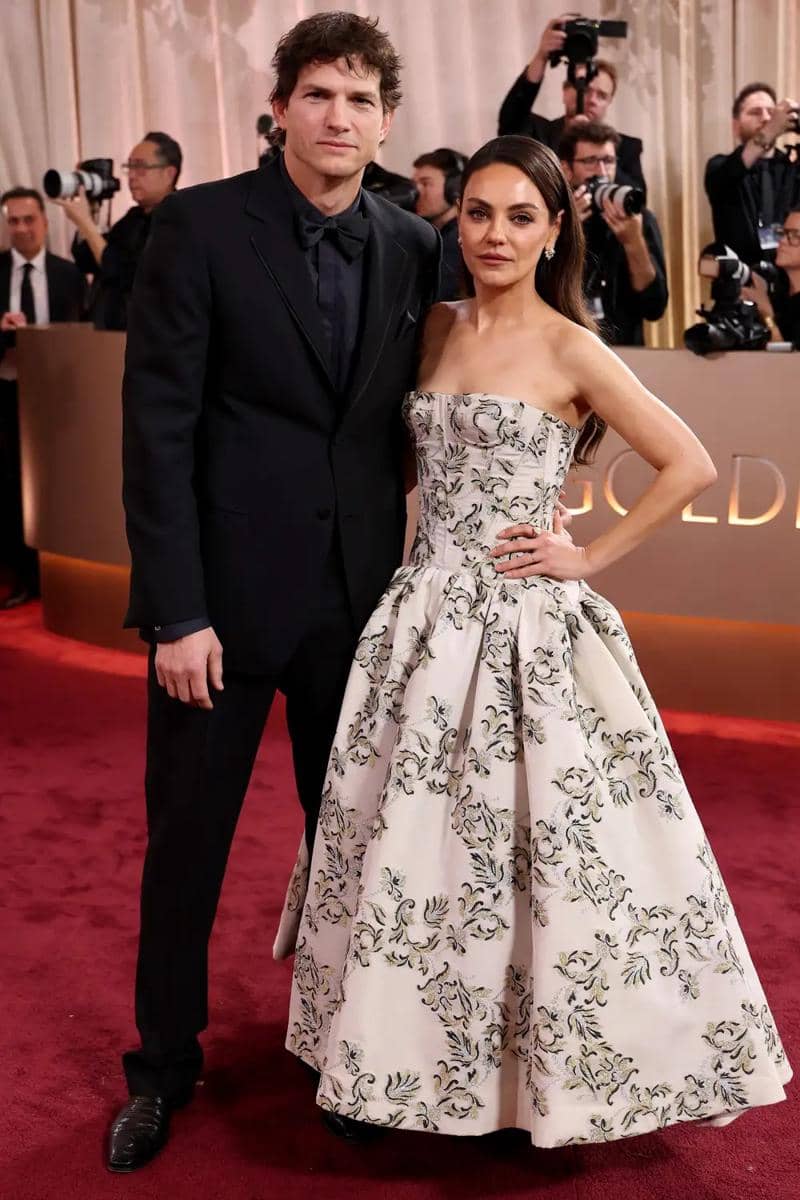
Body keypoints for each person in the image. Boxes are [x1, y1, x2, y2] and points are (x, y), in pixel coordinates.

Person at [281, 134, 791, 1146]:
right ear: (454, 221)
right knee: (413, 854)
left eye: (519, 215)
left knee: (534, 858)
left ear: (553, 229)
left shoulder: (569, 345)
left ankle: (531, 1082)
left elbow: (685, 463)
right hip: (420, 621)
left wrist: (588, 557)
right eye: (476, 212)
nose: (493, 233)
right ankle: (395, 1066)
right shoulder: (429, 326)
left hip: (525, 632)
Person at [110, 11, 439, 1175]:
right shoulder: (196, 228)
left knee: (351, 851)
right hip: (221, 612)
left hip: (357, 610)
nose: (338, 117)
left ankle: (345, 1058)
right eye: (317, 96)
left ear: (385, 119)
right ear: (280, 109)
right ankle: (160, 1067)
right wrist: (176, 611)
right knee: (186, 845)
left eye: (359, 100)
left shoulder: (409, 244)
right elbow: (157, 430)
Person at [0, 187, 85, 608]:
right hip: (6, 396)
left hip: (59, 403)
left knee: (61, 487)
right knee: (12, 491)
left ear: (44, 223)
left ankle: (63, 577)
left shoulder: (68, 274)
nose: (21, 228)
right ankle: (22, 576)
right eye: (13, 221)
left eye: (28, 219)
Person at [498, 12, 646, 196]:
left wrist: (605, 159)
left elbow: (638, 198)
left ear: (609, 102)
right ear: (565, 92)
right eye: (586, 89)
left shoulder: (626, 147)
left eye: (601, 95)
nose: (592, 100)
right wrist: (542, 56)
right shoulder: (540, 134)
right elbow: (511, 118)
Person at [55, 131, 182, 330]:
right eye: (129, 166)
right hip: (107, 332)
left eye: (140, 167)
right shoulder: (132, 218)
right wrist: (91, 212)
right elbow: (88, 260)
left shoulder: (179, 220)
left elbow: (124, 272)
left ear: (169, 173)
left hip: (147, 336)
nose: (131, 175)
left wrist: (86, 223)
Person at [559, 121, 667, 344]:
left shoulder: (640, 218)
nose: (601, 172)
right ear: (566, 169)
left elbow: (654, 307)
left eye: (608, 161)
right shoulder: (553, 220)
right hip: (566, 349)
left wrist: (633, 242)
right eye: (590, 161)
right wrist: (566, 233)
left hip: (625, 353)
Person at [705, 83, 800, 265]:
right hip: (739, 282)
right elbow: (733, 170)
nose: (765, 118)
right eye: (755, 112)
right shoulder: (719, 167)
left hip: (788, 282)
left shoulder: (792, 168)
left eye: (771, 113)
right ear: (736, 125)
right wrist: (771, 128)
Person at [742, 205, 800, 347]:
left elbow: (787, 364)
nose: (782, 241)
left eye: (795, 236)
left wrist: (766, 313)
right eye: (783, 233)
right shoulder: (776, 293)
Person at [412, 148, 467, 299]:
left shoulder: (458, 239)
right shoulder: (433, 235)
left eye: (425, 183)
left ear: (453, 189)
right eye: (414, 185)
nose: (415, 192)